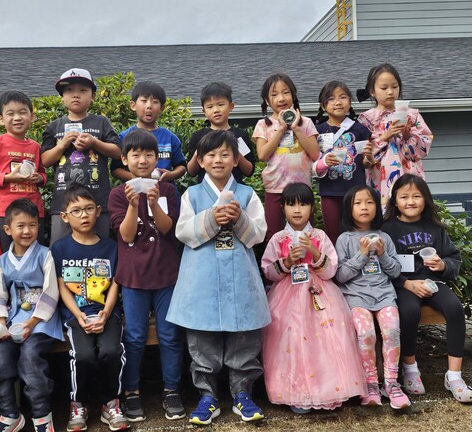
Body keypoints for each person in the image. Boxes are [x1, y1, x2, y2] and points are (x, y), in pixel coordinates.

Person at [166, 131, 270, 425]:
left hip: (240, 273)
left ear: (237, 159)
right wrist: (212, 217)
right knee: (202, 336)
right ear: (200, 160)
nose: (218, 160)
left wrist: (239, 218)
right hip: (201, 277)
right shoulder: (193, 195)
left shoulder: (247, 195)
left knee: (244, 335)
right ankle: (207, 397)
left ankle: (242, 394)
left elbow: (257, 235)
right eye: (210, 155)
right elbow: (183, 232)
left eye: (225, 154)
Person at [261, 182, 366, 413]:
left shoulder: (319, 236)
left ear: (312, 208)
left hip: (320, 293)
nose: (297, 210)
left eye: (303, 204)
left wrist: (315, 252)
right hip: (286, 295)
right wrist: (287, 262)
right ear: (283, 209)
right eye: (291, 204)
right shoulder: (278, 239)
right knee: (290, 336)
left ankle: (327, 389)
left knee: (327, 337)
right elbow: (269, 272)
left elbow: (331, 271)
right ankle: (295, 392)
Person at [107, 129, 185, 423]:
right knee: (136, 337)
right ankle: (131, 391)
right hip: (134, 277)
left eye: (149, 154)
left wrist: (152, 202)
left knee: (169, 336)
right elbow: (126, 236)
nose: (142, 160)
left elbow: (169, 230)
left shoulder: (168, 191)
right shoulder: (117, 194)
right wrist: (132, 203)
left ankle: (172, 389)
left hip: (167, 274)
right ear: (124, 159)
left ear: (157, 158)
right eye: (136, 155)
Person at [382, 174, 472, 403]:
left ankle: (454, 376)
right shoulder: (387, 229)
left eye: (416, 196)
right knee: (409, 311)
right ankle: (411, 369)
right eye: (404, 197)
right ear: (395, 201)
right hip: (404, 285)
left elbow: (453, 257)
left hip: (433, 283)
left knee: (454, 308)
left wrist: (443, 264)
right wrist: (406, 284)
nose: (410, 201)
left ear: (426, 200)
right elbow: (382, 265)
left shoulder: (435, 228)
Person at [51, 184, 129, 431]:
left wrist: (105, 313)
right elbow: (62, 287)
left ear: (98, 211)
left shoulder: (110, 247)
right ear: (64, 217)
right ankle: (78, 404)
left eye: (88, 209)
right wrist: (79, 315)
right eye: (76, 211)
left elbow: (115, 283)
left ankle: (111, 403)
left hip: (107, 314)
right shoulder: (60, 248)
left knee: (111, 351)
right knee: (82, 356)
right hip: (76, 317)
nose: (83, 215)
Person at [0, 199, 63, 432]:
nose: (27, 231)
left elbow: (50, 292)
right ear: (7, 229)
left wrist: (32, 322)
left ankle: (41, 414)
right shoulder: (2, 262)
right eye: (20, 226)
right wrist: (0, 323)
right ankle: (9, 413)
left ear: (39, 226)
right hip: (13, 320)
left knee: (30, 357)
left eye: (33, 225)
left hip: (40, 322)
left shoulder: (45, 255)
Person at [335, 185, 410, 409]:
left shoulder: (384, 237)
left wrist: (382, 253)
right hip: (356, 297)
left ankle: (391, 383)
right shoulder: (344, 239)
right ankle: (370, 384)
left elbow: (396, 271)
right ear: (349, 209)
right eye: (357, 203)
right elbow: (340, 275)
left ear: (377, 208)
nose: (364, 207)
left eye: (369, 202)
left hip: (385, 295)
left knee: (392, 330)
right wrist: (361, 254)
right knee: (366, 333)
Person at [41, 68, 121, 243]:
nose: (75, 95)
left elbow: (118, 152)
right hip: (63, 202)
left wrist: (94, 143)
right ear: (62, 97)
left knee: (99, 249)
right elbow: (45, 161)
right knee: (60, 251)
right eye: (69, 91)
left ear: (92, 96)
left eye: (83, 90)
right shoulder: (54, 127)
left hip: (98, 201)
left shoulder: (101, 122)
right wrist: (62, 144)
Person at [0, 90, 47, 251]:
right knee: (7, 257)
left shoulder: (35, 146)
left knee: (36, 256)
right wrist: (7, 178)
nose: (17, 118)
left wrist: (39, 178)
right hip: (6, 212)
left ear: (32, 116)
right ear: (1, 119)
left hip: (34, 211)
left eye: (22, 112)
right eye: (10, 114)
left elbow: (43, 174)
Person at [357, 63, 433, 210]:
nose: (390, 92)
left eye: (394, 87)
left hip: (409, 174)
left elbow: (422, 150)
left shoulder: (412, 115)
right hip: (380, 177)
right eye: (384, 88)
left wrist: (406, 135)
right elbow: (363, 156)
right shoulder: (366, 119)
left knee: (411, 211)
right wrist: (385, 136)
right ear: (372, 91)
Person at [252, 73, 320, 239]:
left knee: (305, 233)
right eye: (274, 95)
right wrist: (282, 128)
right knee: (274, 234)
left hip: (302, 187)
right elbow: (262, 154)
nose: (281, 98)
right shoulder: (264, 124)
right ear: (267, 101)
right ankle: (275, 264)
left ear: (293, 95)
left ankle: (306, 264)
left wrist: (296, 128)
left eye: (286, 92)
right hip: (275, 186)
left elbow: (315, 153)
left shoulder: (306, 122)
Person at [313, 80, 373, 244]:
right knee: (333, 236)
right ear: (323, 105)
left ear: (350, 102)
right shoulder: (317, 131)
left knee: (358, 235)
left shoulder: (360, 129)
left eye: (343, 97)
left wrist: (369, 156)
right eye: (331, 99)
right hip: (329, 192)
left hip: (356, 193)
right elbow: (312, 163)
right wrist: (325, 161)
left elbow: (366, 164)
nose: (338, 102)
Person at [110, 81, 187, 185]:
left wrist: (171, 175)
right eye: (144, 101)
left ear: (162, 108)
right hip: (134, 193)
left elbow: (181, 166)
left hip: (165, 194)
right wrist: (139, 179)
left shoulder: (170, 138)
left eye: (155, 102)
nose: (149, 106)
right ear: (133, 105)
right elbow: (116, 169)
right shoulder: (124, 137)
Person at [187, 82, 255, 183]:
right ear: (204, 111)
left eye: (220, 104)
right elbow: (191, 172)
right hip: (206, 192)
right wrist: (199, 151)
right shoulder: (198, 136)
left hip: (234, 190)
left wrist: (236, 151)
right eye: (210, 107)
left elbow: (249, 171)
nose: (216, 110)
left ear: (231, 106)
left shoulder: (240, 136)